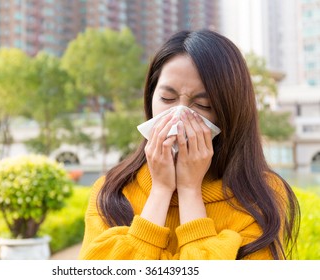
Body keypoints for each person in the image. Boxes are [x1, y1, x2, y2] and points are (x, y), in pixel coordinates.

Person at [78, 29, 300, 260]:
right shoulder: (112, 191)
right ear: (150, 97)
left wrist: (189, 191)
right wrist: (161, 190)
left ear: (229, 113)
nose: (179, 116)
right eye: (167, 98)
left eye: (202, 105)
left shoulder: (260, 195)